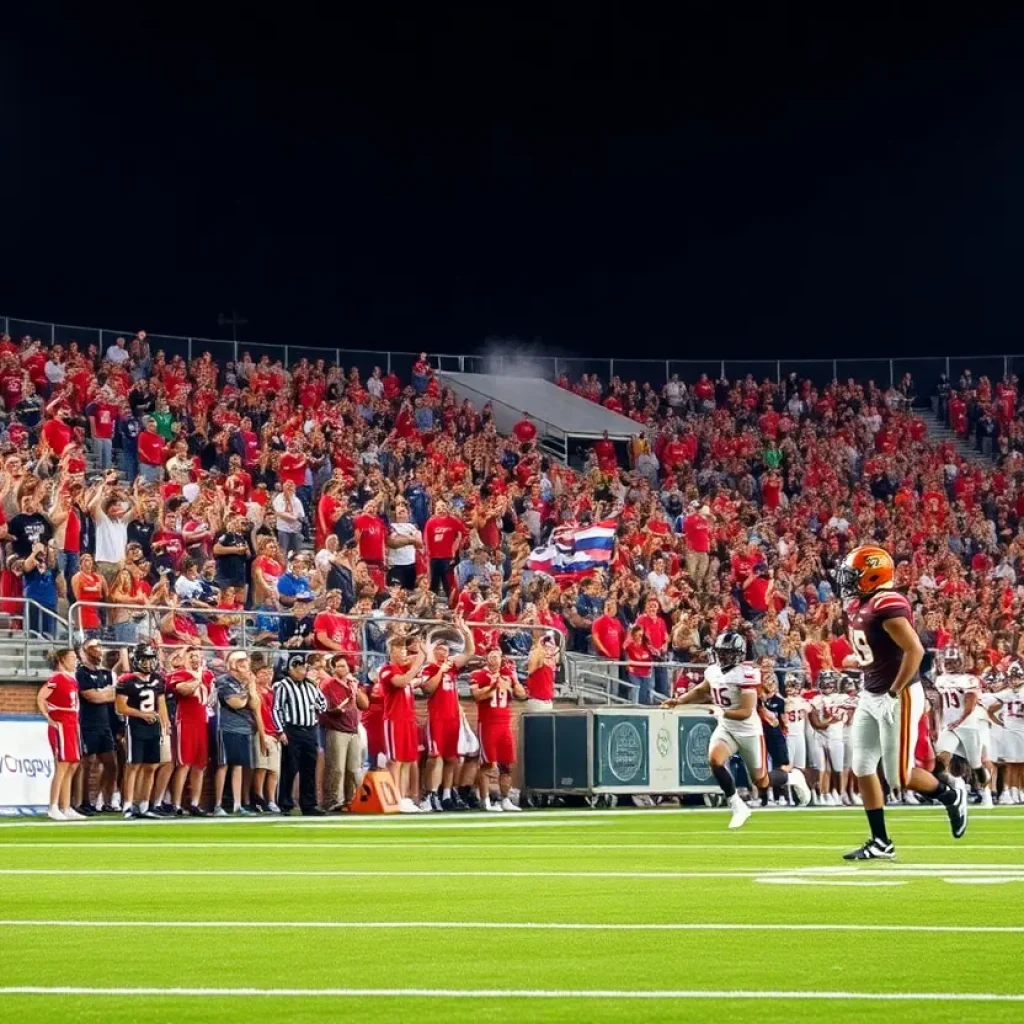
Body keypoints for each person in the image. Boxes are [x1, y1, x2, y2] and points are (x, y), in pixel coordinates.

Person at [837, 545, 967, 860]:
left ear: (873, 576)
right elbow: (880, 648)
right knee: (862, 766)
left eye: (855, 575)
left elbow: (915, 651)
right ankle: (881, 841)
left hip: (899, 695)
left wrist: (894, 691)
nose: (848, 580)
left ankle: (952, 795)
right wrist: (860, 661)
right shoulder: (858, 605)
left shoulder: (886, 603)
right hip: (870, 694)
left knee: (901, 777)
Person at [666, 632, 794, 829]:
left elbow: (744, 712)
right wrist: (679, 701)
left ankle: (793, 777)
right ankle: (736, 805)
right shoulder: (713, 671)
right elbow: (702, 690)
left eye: (727, 653)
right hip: (727, 727)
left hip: (748, 731)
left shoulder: (746, 673)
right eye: (721, 653)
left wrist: (720, 711)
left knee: (762, 781)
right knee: (714, 760)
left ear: (738, 654)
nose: (722, 657)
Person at [419, 613, 475, 811]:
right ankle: (430, 795)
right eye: (440, 649)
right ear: (433, 651)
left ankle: (446, 794)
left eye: (446, 649)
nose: (444, 652)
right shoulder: (430, 668)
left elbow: (469, 652)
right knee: (435, 757)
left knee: (452, 758)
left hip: (453, 718)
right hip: (437, 718)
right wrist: (441, 670)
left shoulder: (452, 668)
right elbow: (427, 689)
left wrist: (466, 632)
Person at [115, 643, 170, 820]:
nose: (148, 663)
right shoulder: (126, 681)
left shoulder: (158, 679)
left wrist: (164, 725)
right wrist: (141, 714)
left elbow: (161, 705)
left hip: (153, 727)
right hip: (135, 727)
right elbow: (120, 707)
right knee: (133, 766)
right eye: (144, 659)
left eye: (151, 659)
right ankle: (128, 805)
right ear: (136, 660)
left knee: (151, 766)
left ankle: (145, 805)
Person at [469, 649, 526, 812]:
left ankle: (505, 799)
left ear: (502, 658)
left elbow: (521, 695)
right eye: (491, 656)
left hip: (504, 724)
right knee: (488, 765)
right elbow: (477, 696)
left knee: (506, 765)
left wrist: (513, 680)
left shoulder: (507, 674)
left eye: (497, 656)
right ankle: (485, 799)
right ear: (486, 658)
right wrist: (493, 686)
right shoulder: (478, 675)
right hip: (488, 723)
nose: (494, 660)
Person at [272, 654, 328, 816]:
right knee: (290, 768)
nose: (302, 671)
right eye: (298, 667)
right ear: (291, 669)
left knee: (309, 768)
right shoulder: (283, 685)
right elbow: (276, 708)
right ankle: (285, 803)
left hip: (310, 730)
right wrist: (280, 730)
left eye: (303, 667)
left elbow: (323, 705)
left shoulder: (311, 686)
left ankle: (308, 804)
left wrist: (317, 705)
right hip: (293, 730)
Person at [379, 635, 427, 813]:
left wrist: (422, 649)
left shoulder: (404, 667)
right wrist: (419, 660)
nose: (405, 652)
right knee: (396, 760)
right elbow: (402, 681)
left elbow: (418, 664)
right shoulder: (386, 670)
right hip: (394, 719)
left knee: (408, 760)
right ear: (391, 652)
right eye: (400, 649)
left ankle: (404, 796)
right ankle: (395, 797)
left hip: (408, 719)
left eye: (405, 649)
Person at [213, 651, 265, 816]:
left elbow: (255, 704)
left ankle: (237, 804)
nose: (246, 667)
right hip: (226, 727)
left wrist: (250, 687)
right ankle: (218, 804)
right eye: (241, 664)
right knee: (223, 765)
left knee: (238, 766)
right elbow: (236, 703)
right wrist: (248, 692)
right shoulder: (223, 681)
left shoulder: (245, 683)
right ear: (233, 666)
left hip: (244, 728)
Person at [73, 638, 119, 816]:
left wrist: (103, 694)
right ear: (85, 651)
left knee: (111, 764)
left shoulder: (105, 674)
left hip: (105, 724)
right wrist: (104, 693)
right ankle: (83, 801)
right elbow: (93, 697)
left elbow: (115, 695)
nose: (99, 650)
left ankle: (106, 801)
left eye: (100, 646)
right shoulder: (81, 673)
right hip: (87, 724)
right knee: (87, 764)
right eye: (95, 647)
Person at [165, 646, 213, 816]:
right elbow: (182, 690)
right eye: (191, 655)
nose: (195, 659)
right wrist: (197, 678)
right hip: (185, 721)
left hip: (202, 722)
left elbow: (212, 698)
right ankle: (176, 804)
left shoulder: (208, 675)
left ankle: (194, 803)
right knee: (184, 764)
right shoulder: (181, 674)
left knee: (200, 765)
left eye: (198, 655)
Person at [37, 648, 83, 821]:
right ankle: (53, 806)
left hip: (73, 722)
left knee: (73, 765)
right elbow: (41, 697)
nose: (75, 661)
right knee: (62, 764)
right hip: (61, 723)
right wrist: (48, 717)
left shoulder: (72, 679)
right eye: (72, 658)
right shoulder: (56, 678)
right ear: (62, 660)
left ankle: (66, 805)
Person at [319, 654, 369, 811]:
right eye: (339, 665)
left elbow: (364, 705)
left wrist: (356, 688)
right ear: (333, 668)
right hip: (336, 729)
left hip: (353, 730)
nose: (342, 668)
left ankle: (350, 799)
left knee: (353, 768)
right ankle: (332, 799)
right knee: (336, 767)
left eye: (344, 666)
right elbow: (323, 707)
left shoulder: (352, 684)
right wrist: (334, 711)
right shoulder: (327, 684)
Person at [251, 659, 283, 813]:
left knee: (273, 770)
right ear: (255, 676)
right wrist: (262, 735)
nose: (267, 676)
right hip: (262, 731)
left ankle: (271, 800)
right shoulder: (254, 692)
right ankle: (258, 798)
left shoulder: (272, 692)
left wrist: (280, 731)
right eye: (263, 673)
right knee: (261, 768)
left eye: (270, 673)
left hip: (274, 733)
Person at [524, 632, 559, 712]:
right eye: (546, 646)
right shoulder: (537, 654)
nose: (548, 649)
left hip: (548, 702)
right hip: (537, 702)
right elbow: (531, 669)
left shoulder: (550, 661)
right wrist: (539, 647)